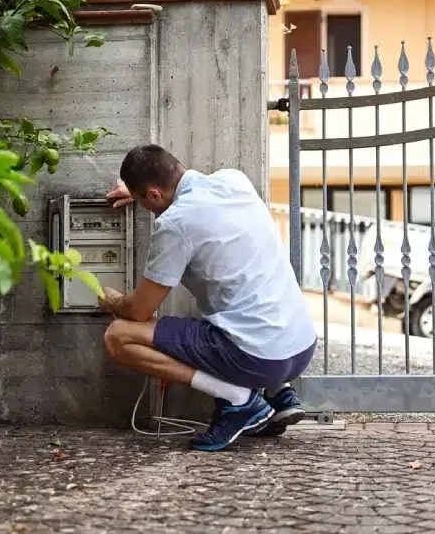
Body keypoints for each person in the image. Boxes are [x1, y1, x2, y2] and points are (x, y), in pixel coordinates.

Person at [99, 144, 317, 451]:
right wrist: (139, 192)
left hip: (260, 358)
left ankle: (238, 399)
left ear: (154, 195)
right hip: (301, 347)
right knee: (244, 298)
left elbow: (139, 311)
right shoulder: (234, 180)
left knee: (118, 337)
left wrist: (113, 301)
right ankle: (278, 393)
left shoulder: (175, 223)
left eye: (144, 201)